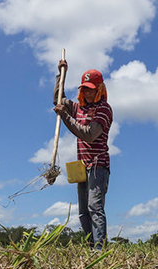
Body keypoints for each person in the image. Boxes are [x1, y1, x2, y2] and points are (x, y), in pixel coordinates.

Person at [53, 59, 113, 251]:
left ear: (100, 89)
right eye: (85, 89)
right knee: (83, 212)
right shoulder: (79, 107)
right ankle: (89, 248)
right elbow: (58, 100)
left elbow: (89, 135)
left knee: (95, 208)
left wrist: (65, 117)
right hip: (82, 166)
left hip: (98, 166)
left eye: (91, 89)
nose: (87, 93)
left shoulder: (103, 109)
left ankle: (99, 251)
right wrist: (61, 73)